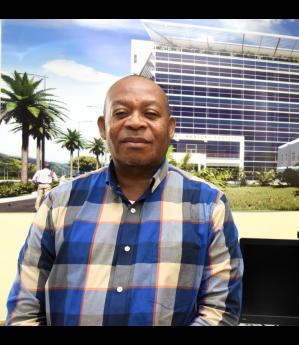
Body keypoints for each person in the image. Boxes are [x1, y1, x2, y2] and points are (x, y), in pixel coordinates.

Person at [6, 75, 244, 326]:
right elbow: (25, 309)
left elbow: (220, 312)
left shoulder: (209, 205)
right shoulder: (60, 202)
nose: (135, 123)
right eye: (120, 113)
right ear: (102, 127)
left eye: (151, 114)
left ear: (171, 128)